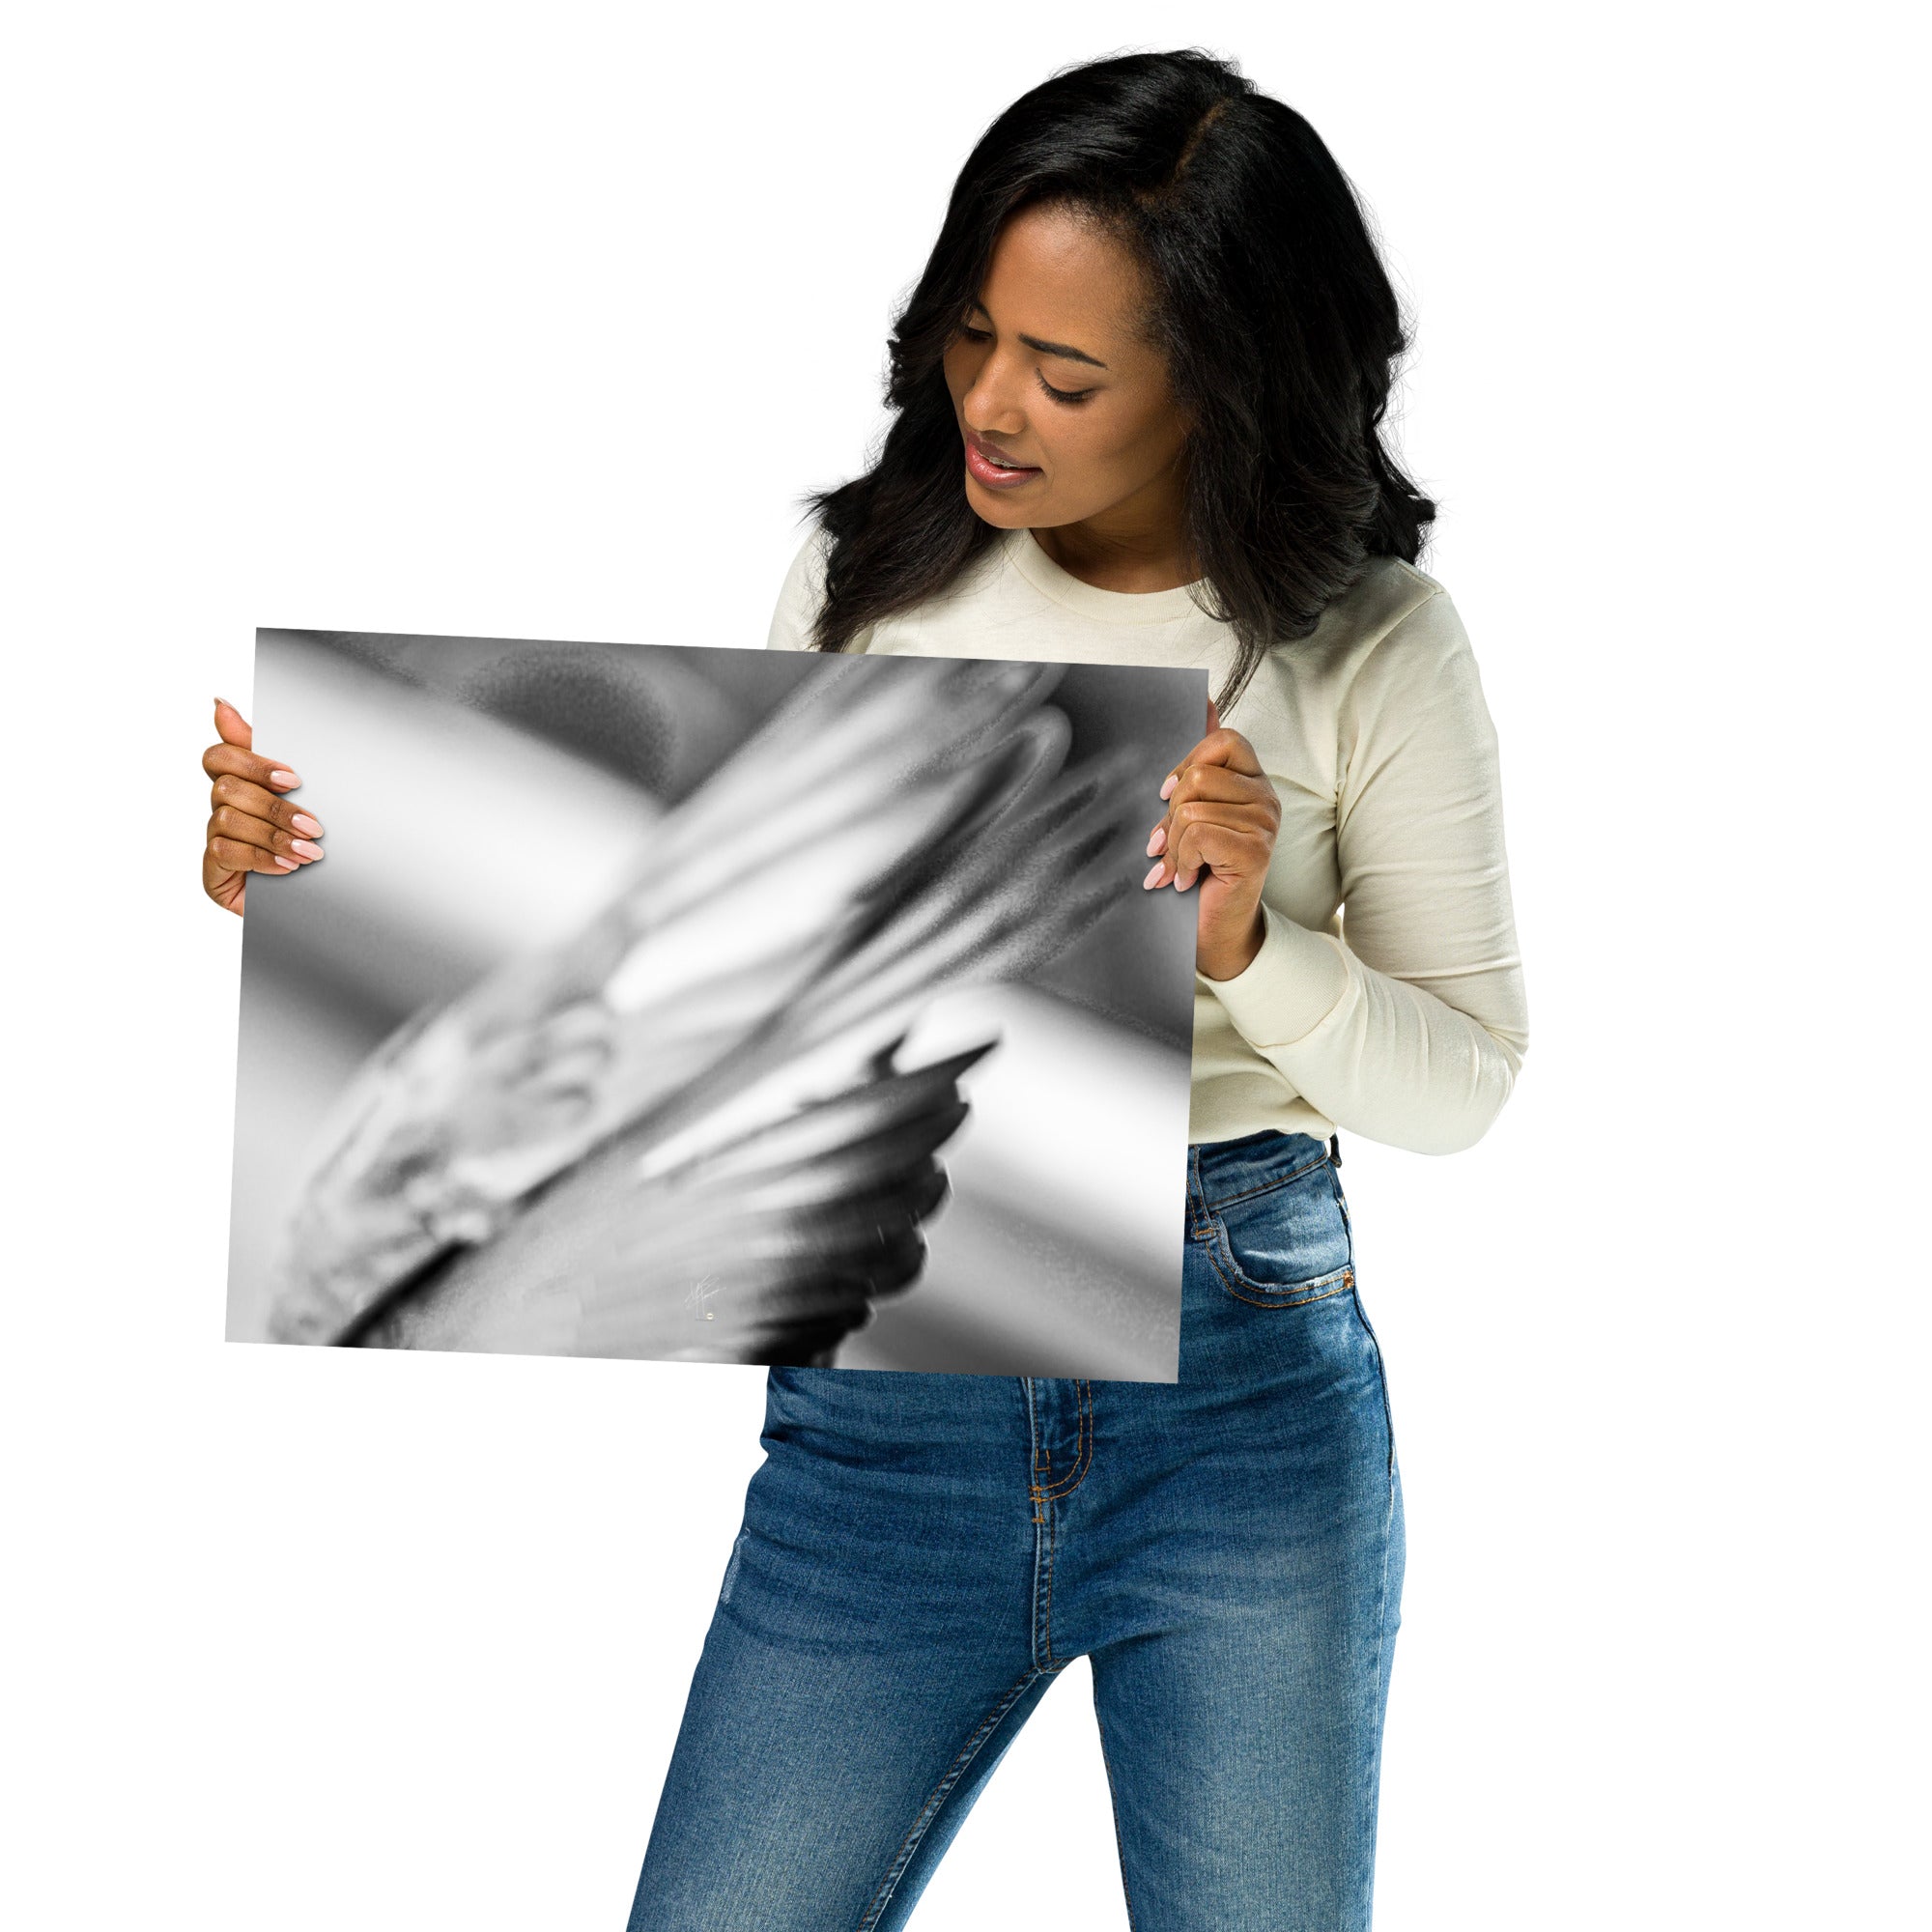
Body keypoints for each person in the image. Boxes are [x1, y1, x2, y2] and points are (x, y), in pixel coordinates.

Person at [201, 47, 1529, 1932]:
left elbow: (1464, 1082)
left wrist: (1249, 942)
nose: (990, 402)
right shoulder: (861, 574)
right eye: (971, 335)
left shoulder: (1374, 643)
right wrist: (319, 863)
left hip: (1238, 1397)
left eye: (1065, 374)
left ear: (1222, 382)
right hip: (884, 1434)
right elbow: (682, 968)